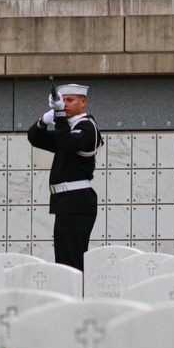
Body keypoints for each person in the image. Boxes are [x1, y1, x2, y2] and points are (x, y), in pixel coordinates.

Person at [27, 83, 102, 271]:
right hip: (65, 202)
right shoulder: (66, 129)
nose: (65, 104)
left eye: (70, 100)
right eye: (63, 101)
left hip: (77, 201)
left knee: (72, 260)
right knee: (63, 260)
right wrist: (44, 120)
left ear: (83, 102)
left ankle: (76, 297)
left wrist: (59, 115)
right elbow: (35, 138)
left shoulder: (88, 127)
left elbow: (69, 144)